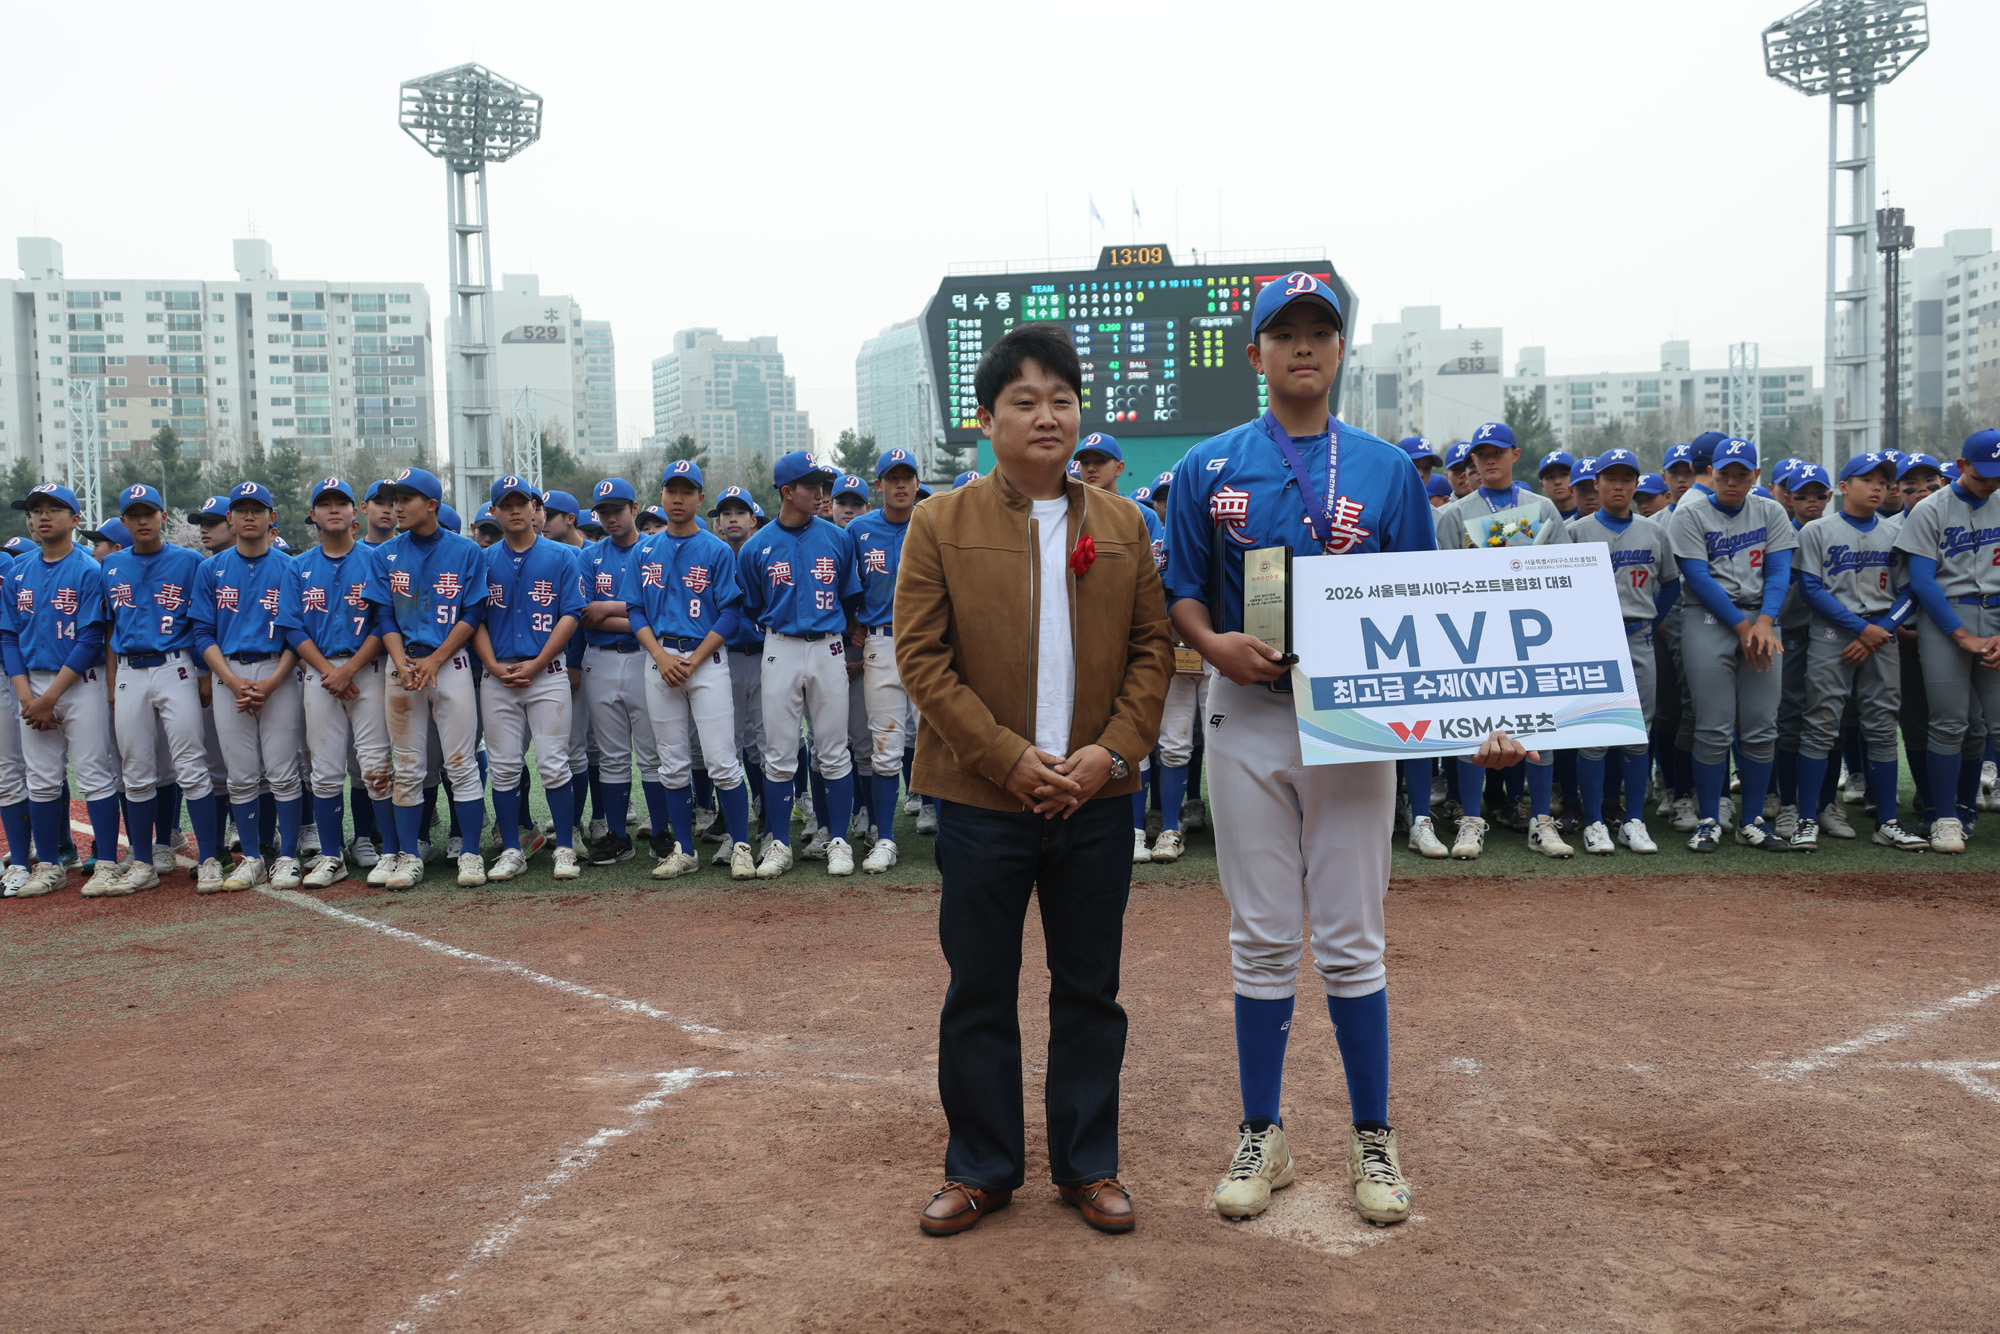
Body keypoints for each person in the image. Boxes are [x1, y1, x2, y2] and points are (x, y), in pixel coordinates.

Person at [1164, 273, 1530, 1228]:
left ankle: (1373, 1134)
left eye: (1318, 332)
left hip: (1358, 719)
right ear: (1254, 355)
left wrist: (1471, 726)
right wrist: (1210, 645)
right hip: (1244, 710)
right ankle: (1263, 1131)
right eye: (1282, 333)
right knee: (1260, 935)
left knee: (1353, 937)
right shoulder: (1210, 466)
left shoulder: (1385, 470)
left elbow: (1429, 614)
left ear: (1339, 352)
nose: (1301, 347)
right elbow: (1183, 592)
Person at [899, 321, 1170, 1237]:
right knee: (980, 986)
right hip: (984, 801)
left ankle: (1088, 1167)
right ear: (986, 420)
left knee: (1091, 987)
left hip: (1095, 801)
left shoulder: (1126, 525)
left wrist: (1111, 755)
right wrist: (1008, 758)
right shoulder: (941, 522)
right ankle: (981, 1170)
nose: (1047, 416)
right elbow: (922, 662)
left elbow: (1150, 653)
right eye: (1025, 400)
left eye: (1061, 399)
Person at [1433, 422, 1574, 858]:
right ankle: (1470, 822)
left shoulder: (1542, 507)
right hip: (1475, 635)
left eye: (1497, 451)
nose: (1488, 459)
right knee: (1472, 730)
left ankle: (1541, 822)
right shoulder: (1455, 513)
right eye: (1480, 453)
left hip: (1531, 634)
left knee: (1540, 725)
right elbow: (1440, 580)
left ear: (1515, 454)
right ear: (1472, 460)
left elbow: (1565, 571)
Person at [622, 460, 757, 880]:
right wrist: (661, 658)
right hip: (660, 660)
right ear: (661, 496)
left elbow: (731, 614)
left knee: (721, 761)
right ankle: (683, 849)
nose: (678, 498)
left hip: (706, 661)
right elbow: (634, 609)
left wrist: (693, 661)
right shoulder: (644, 550)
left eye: (687, 491)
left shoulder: (716, 549)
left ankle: (740, 846)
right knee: (673, 763)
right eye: (671, 490)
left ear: (700, 499)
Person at [1665, 438, 1796, 852]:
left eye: (1742, 474)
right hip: (1708, 618)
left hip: (1761, 616)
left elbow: (1779, 573)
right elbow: (1698, 579)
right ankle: (1708, 818)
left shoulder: (1771, 510)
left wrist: (1764, 621)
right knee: (1713, 725)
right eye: (1725, 474)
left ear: (1756, 475)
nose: (1733, 482)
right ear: (1712, 473)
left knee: (1761, 725)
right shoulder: (1689, 512)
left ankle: (1753, 819)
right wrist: (1744, 628)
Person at [738, 451, 864, 878]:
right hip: (780, 646)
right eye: (811, 486)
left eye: (823, 485)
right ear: (787, 491)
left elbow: (851, 599)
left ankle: (839, 841)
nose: (821, 493)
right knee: (779, 753)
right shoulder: (756, 546)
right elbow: (753, 605)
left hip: (828, 645)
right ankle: (779, 844)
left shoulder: (837, 538)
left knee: (833, 749)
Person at [1791, 453, 1925, 851]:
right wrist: (1861, 629)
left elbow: (1909, 591)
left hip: (1880, 635)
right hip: (1833, 634)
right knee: (1820, 726)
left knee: (1883, 728)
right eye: (1868, 480)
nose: (1878, 487)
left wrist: (1880, 630)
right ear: (1845, 487)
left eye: (1883, 481)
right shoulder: (1817, 530)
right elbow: (1811, 589)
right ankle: (1805, 818)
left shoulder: (1894, 533)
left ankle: (1888, 821)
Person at [367, 467, 491, 889]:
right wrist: (401, 662)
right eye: (392, 499)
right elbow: (383, 614)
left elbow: (473, 613)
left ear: (432, 505)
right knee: (407, 766)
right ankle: (407, 855)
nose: (396, 507)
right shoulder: (385, 554)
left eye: (406, 499)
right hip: (402, 666)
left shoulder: (466, 551)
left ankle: (471, 854)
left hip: (449, 664)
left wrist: (436, 659)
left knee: (461, 763)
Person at [99, 484, 224, 894]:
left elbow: (202, 620)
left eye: (149, 513)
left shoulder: (189, 561)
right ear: (123, 522)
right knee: (134, 770)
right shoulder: (112, 565)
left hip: (177, 666)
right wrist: (114, 682)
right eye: (134, 514)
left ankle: (208, 858)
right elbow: (111, 627)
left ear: (163, 517)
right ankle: (143, 863)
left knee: (191, 764)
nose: (142, 520)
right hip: (131, 670)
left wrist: (205, 673)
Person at [3, 484, 120, 898]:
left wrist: (48, 697)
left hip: (79, 684)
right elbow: (8, 638)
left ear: (75, 519)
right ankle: (49, 864)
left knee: (93, 774)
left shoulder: (90, 569)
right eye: (35, 511)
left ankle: (107, 861)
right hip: (31, 684)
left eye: (54, 509)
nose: (42, 516)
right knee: (41, 779)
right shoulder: (18, 571)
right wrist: (26, 696)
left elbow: (91, 637)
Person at [277, 477, 393, 890]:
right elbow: (291, 626)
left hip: (368, 671)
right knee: (324, 771)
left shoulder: (378, 559)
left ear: (353, 511)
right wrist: (330, 671)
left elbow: (386, 621)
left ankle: (386, 850)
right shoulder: (298, 565)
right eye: (324, 504)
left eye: (341, 502)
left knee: (375, 764)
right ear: (313, 515)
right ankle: (331, 856)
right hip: (320, 674)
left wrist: (349, 669)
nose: (333, 509)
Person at [472, 475, 586, 882]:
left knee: (554, 764)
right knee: (503, 767)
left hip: (547, 674)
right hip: (498, 675)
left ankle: (566, 849)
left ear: (535, 508)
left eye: (524, 502)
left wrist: (539, 663)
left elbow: (571, 613)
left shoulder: (561, 556)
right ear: (495, 512)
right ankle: (510, 849)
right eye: (507, 504)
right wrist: (493, 665)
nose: (517, 510)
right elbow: (475, 619)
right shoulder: (482, 561)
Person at [1894, 429, 2000, 854]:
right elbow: (1921, 580)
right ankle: (1945, 818)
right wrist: (1961, 636)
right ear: (1961, 467)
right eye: (1983, 474)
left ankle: (1959, 811)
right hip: (1945, 618)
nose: (1991, 482)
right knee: (1949, 722)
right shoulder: (1930, 508)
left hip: (1996, 616)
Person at [1567, 450, 1678, 854]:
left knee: (1637, 734)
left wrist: (1651, 617)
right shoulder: (1576, 531)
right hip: (1594, 641)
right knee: (1593, 734)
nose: (1618, 485)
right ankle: (1594, 822)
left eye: (1626, 479)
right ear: (1596, 483)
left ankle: (1633, 820)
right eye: (1610, 478)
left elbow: (1671, 583)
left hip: (1638, 636)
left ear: (1636, 484)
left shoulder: (1653, 531)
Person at [1072, 431, 1175, 863]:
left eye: (1102, 460)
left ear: (1120, 467)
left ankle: (1136, 828)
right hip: (1081, 638)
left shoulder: (1139, 517)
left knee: (1136, 733)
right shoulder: (1069, 511)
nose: (1091, 468)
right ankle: (1125, 827)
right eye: (1086, 461)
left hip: (1127, 635)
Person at [579, 478, 666, 866]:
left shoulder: (653, 550)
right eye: (603, 511)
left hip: (643, 656)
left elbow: (657, 614)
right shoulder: (590, 555)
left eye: (617, 509)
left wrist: (608, 609)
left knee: (652, 753)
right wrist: (629, 612)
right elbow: (585, 613)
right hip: (599, 657)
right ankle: (617, 835)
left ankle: (662, 830)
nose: (610, 517)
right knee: (612, 755)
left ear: (634, 507)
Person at [846, 449, 920, 873]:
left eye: (907, 476)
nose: (900, 484)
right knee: (884, 745)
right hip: (881, 643)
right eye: (891, 477)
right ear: (878, 486)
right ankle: (885, 837)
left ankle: (948, 834)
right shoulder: (858, 530)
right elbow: (839, 582)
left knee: (935, 739)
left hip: (928, 642)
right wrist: (849, 623)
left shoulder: (931, 522)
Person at [1538, 450, 1578, 521]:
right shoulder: (1537, 519)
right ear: (1542, 485)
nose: (1557, 482)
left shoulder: (1591, 511)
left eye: (1564, 474)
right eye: (1550, 477)